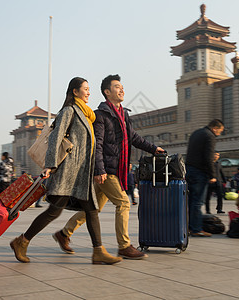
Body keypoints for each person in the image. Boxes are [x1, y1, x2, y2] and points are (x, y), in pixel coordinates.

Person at [9, 77, 121, 265]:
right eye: (85, 89)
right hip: (68, 172)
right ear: (75, 92)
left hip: (82, 174)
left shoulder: (86, 114)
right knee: (54, 212)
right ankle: (22, 241)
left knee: (92, 210)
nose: (88, 92)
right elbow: (55, 138)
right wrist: (50, 165)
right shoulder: (69, 111)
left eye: (89, 89)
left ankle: (98, 251)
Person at [53, 74, 163, 259]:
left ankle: (64, 233)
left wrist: (153, 149)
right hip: (107, 170)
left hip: (115, 169)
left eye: (122, 87)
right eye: (117, 87)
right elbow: (97, 145)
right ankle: (124, 245)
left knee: (93, 209)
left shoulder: (123, 114)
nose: (122, 90)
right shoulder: (101, 115)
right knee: (123, 202)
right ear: (107, 92)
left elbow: (133, 137)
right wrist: (99, 169)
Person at [185, 119, 224, 237]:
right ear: (215, 128)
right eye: (220, 131)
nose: (219, 134)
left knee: (190, 201)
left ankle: (189, 227)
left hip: (189, 170)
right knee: (197, 202)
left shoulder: (196, 133)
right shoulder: (209, 136)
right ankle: (196, 229)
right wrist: (212, 175)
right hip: (199, 172)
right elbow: (208, 157)